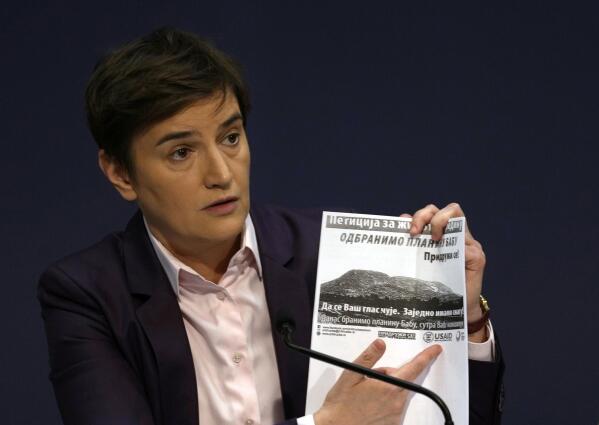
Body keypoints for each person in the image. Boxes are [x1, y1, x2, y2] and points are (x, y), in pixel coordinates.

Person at [38, 27, 504, 425]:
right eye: (182, 152)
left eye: (231, 137)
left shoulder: (333, 256)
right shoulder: (88, 296)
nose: (221, 173)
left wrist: (462, 320)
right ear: (120, 173)